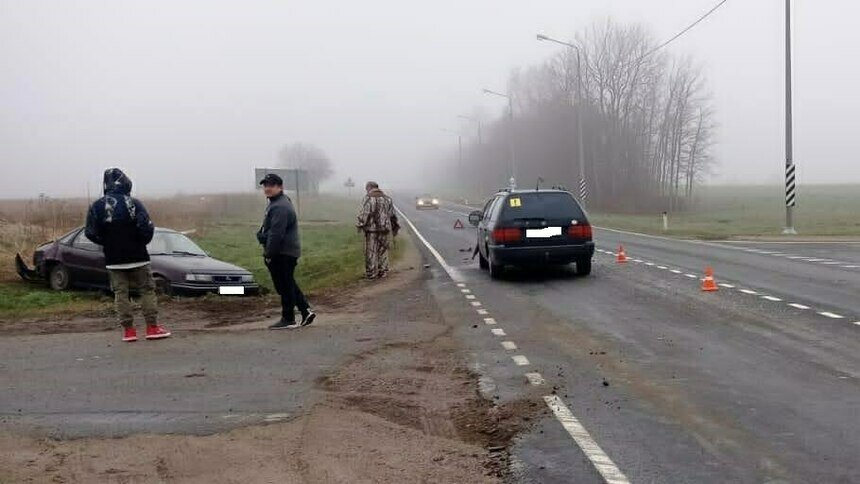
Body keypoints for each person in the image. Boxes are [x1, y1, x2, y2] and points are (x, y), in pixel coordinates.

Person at [85, 168, 171, 342]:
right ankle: (152, 328)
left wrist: (107, 243)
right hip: (138, 256)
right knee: (146, 290)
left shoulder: (97, 206)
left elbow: (90, 232)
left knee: (120, 294)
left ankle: (128, 332)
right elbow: (147, 227)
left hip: (113, 259)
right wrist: (141, 242)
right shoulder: (134, 203)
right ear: (126, 183)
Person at [256, 173, 316, 330]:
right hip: (286, 251)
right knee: (287, 282)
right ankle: (305, 310)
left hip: (282, 252)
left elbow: (277, 234)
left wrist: (269, 253)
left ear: (280, 187)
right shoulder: (277, 202)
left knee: (284, 285)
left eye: (271, 185)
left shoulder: (280, 206)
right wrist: (263, 235)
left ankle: (288, 318)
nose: (267, 188)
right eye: (265, 185)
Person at [356, 181, 399, 279]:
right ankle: (383, 271)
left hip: (371, 230)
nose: (366, 190)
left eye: (366, 188)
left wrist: (360, 225)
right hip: (385, 229)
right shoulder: (387, 199)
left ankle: (371, 273)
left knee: (371, 251)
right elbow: (392, 215)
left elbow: (364, 214)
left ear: (369, 187)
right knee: (383, 250)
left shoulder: (368, 199)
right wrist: (394, 227)